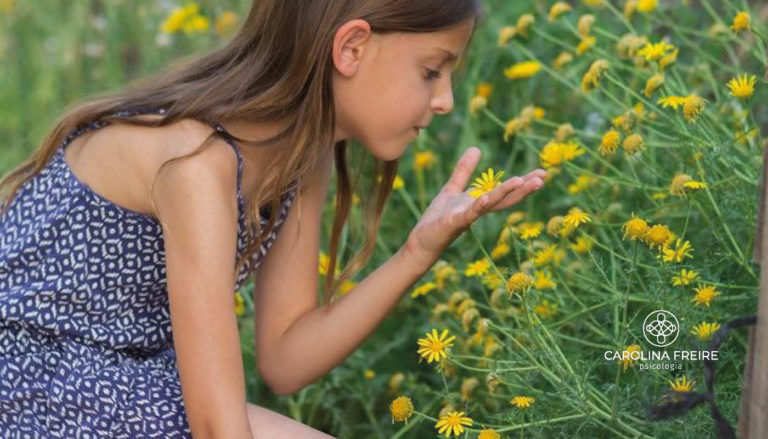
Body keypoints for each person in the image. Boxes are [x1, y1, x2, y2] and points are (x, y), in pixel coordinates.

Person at [0, 0, 547, 438]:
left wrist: (416, 253)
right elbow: (217, 429)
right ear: (351, 47)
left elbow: (285, 358)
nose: (446, 100)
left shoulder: (295, 157)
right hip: (33, 382)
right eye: (431, 71)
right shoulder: (198, 164)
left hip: (113, 375)